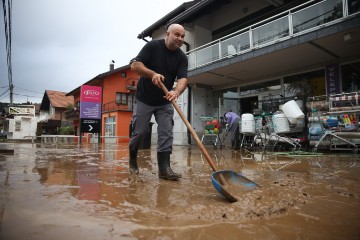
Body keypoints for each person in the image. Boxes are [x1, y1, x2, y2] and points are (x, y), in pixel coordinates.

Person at [128, 24, 188, 180]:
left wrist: (176, 91)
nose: (180, 39)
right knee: (140, 132)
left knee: (166, 132)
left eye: (183, 36)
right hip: (144, 98)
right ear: (167, 34)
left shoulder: (182, 57)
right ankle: (133, 161)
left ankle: (164, 169)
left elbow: (183, 79)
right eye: (177, 35)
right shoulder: (153, 46)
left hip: (164, 100)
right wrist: (152, 74)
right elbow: (135, 65)